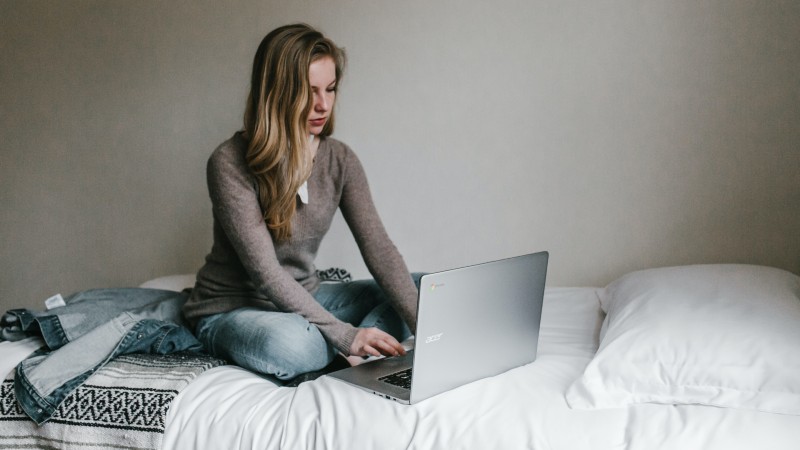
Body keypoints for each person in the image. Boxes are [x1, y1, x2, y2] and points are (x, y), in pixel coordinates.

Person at [182, 23, 420, 384]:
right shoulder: (229, 162)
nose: (323, 104)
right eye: (308, 92)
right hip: (234, 308)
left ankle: (363, 350)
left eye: (330, 89)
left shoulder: (340, 159)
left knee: (424, 289)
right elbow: (266, 273)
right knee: (294, 346)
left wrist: (428, 328)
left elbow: (379, 249)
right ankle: (347, 345)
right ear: (277, 93)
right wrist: (344, 335)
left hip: (310, 297)